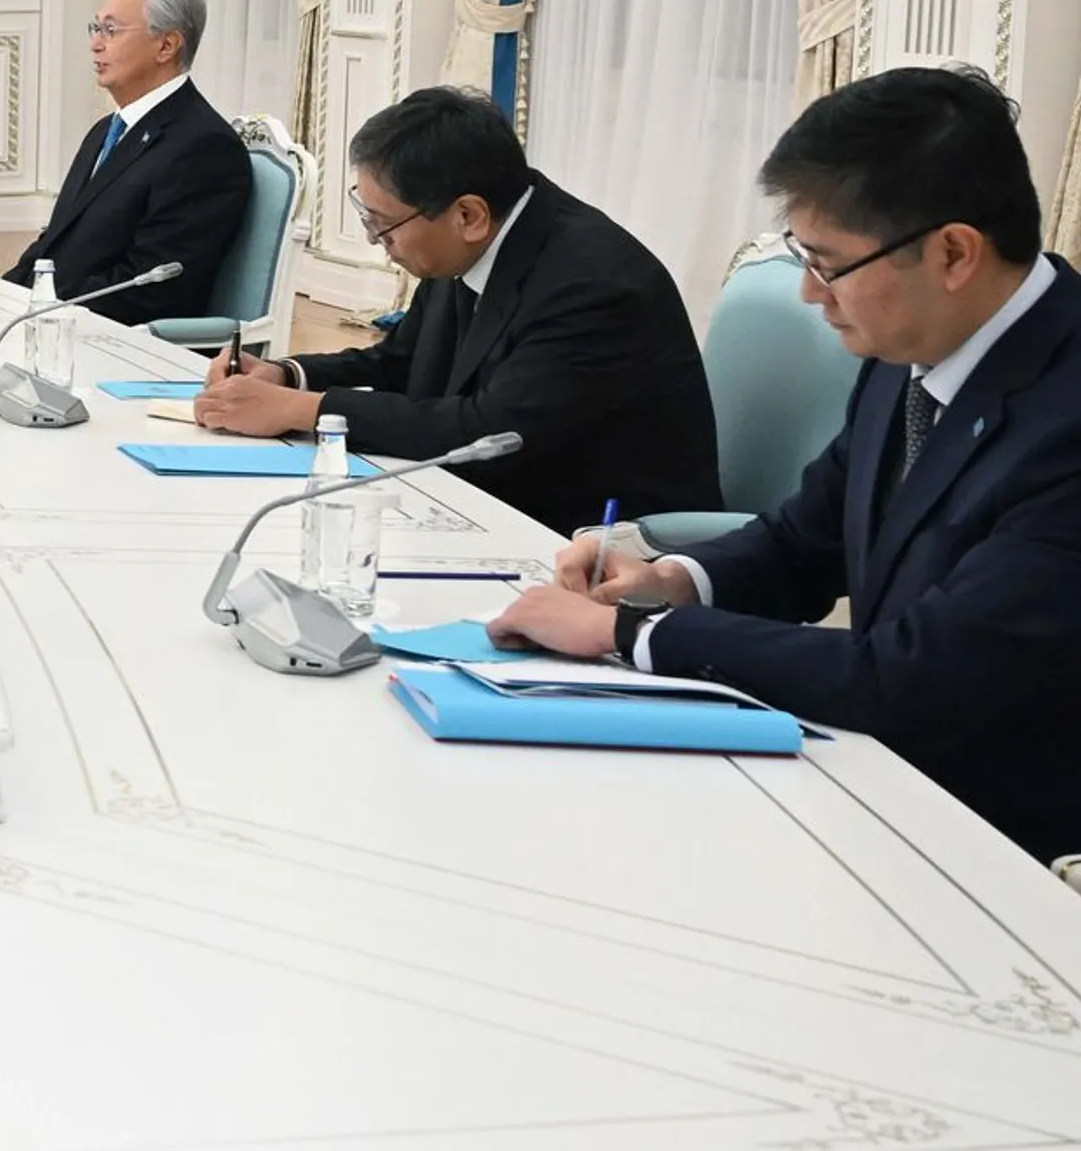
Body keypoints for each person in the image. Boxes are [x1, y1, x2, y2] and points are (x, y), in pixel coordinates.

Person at [494, 67, 1081, 866]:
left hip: (1010, 852)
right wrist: (671, 581)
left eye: (829, 265)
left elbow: (917, 677)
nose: (809, 293)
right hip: (878, 787)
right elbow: (804, 542)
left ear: (953, 253)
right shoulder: (911, 354)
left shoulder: (1064, 416)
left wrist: (631, 632)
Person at [195, 85, 721, 529]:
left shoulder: (593, 287)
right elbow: (399, 361)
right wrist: (287, 375)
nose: (376, 239)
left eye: (384, 224)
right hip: (482, 502)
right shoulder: (472, 239)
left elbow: (491, 432)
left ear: (468, 215)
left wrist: (304, 411)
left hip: (591, 542)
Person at [0, 0, 250, 329]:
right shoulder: (106, 130)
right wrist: (1, 295)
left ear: (166, 46)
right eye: (95, 28)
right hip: (53, 322)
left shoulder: (204, 147)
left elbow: (153, 286)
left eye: (111, 31)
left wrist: (43, 308)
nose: (95, 44)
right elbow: (55, 244)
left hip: (113, 340)